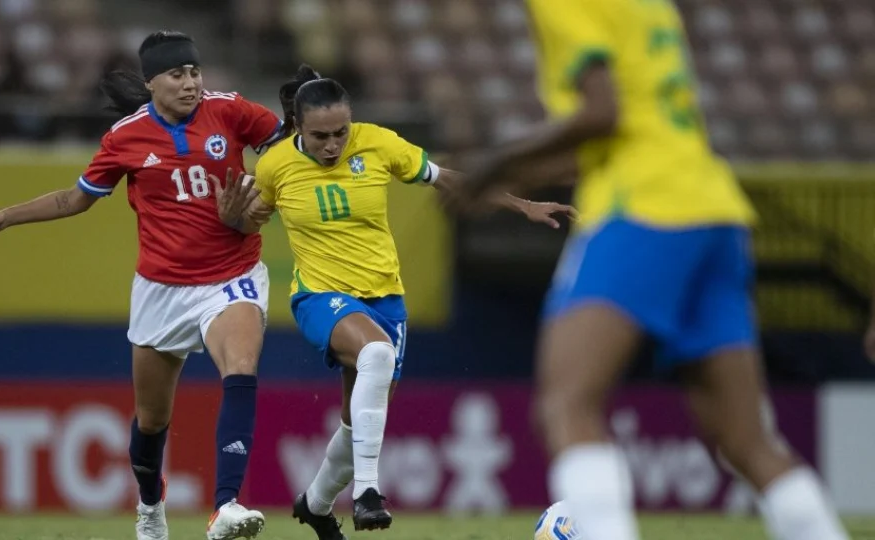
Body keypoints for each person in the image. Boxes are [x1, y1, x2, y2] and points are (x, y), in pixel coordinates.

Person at [449, 1, 851, 539]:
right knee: (749, 444)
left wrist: (495, 163)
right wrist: (510, 176)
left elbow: (601, 113)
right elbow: (621, 130)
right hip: (714, 210)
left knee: (568, 404)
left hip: (643, 209)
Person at [221, 64, 577, 540]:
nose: (333, 145)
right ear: (298, 129)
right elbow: (252, 221)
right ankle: (368, 494)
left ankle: (315, 504)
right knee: (376, 354)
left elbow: (446, 179)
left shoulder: (379, 143)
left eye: (341, 133)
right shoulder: (276, 165)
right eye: (321, 136)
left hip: (386, 300)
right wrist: (234, 219)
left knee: (356, 429)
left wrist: (522, 205)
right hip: (319, 295)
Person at [0, 30, 284, 540]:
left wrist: (260, 202)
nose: (191, 83)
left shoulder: (233, 111)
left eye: (195, 72)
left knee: (241, 367)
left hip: (232, 274)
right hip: (162, 288)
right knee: (151, 421)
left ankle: (227, 506)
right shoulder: (126, 137)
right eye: (177, 74)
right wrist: (4, 216)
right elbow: (74, 199)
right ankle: (150, 509)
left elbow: (289, 154)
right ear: (152, 81)